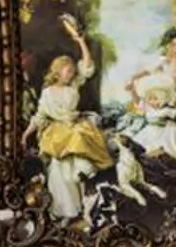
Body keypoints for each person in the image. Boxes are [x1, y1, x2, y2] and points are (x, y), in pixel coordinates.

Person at [24, 14, 115, 222]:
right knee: (60, 173)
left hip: (75, 129)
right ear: (57, 72)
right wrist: (25, 134)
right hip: (58, 134)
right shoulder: (47, 93)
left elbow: (88, 66)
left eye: (72, 71)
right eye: (67, 71)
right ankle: (65, 212)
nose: (71, 74)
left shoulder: (74, 86)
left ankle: (84, 209)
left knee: (78, 169)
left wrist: (81, 41)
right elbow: (39, 116)